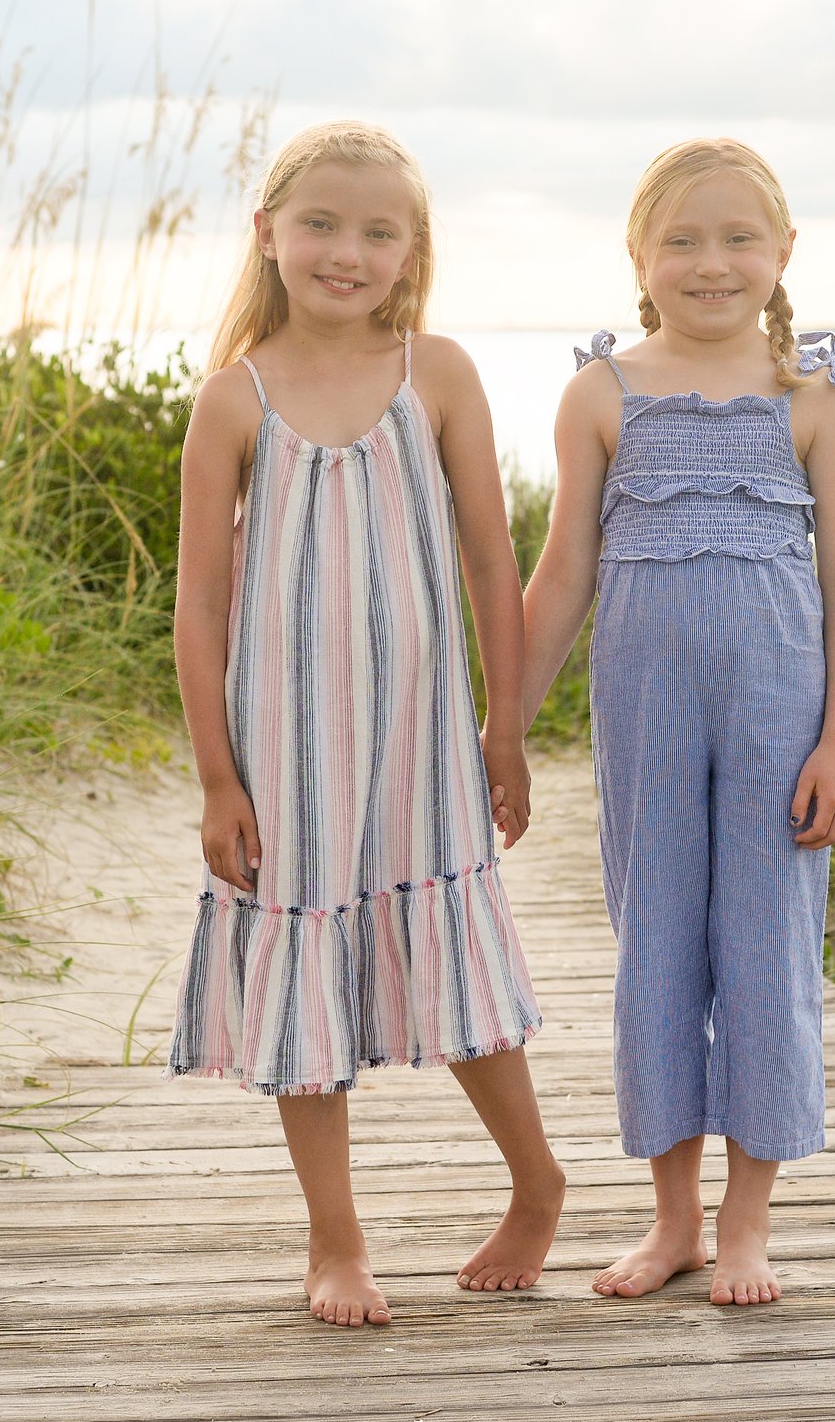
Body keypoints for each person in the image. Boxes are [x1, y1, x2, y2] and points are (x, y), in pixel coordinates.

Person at [168, 121, 563, 1327]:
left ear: (410, 249)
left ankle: (537, 1182)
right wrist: (216, 780)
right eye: (322, 224)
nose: (347, 250)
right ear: (270, 234)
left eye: (377, 231)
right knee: (305, 979)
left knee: (457, 958)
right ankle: (334, 1239)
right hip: (285, 750)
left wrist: (505, 728)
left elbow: (492, 562)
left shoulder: (434, 374)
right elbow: (198, 603)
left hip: (423, 743)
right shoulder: (231, 400)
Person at [520, 136, 835, 1306]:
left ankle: (746, 1226)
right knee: (657, 944)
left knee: (767, 950)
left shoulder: (817, 401)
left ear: (782, 254)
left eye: (737, 239)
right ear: (638, 253)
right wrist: (502, 728)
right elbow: (562, 574)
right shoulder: (601, 393)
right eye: (681, 239)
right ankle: (671, 1220)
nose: (710, 262)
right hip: (646, 715)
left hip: (782, 716)